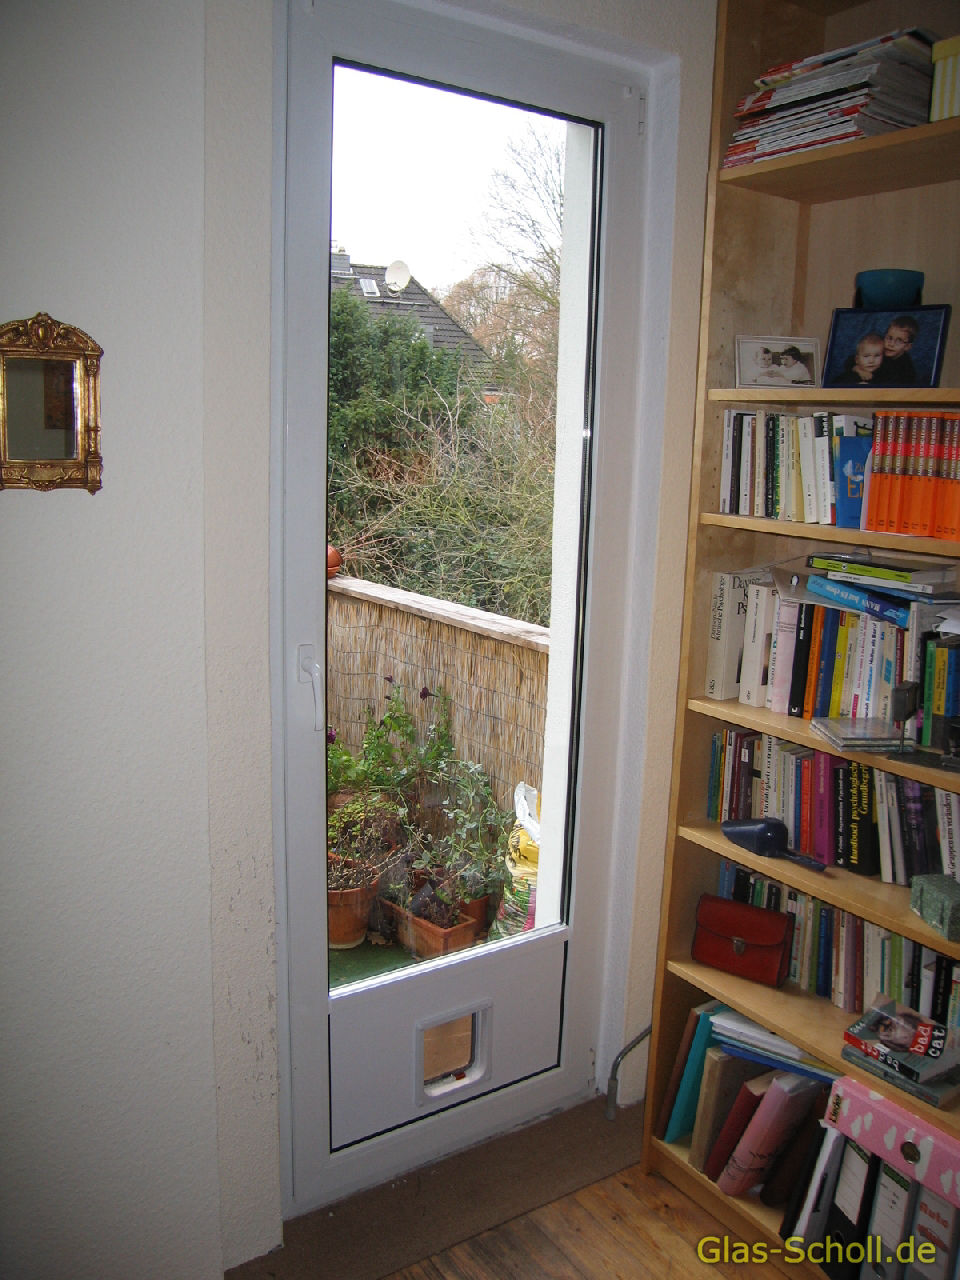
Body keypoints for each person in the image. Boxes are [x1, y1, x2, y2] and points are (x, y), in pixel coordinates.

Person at [873, 314, 919, 386]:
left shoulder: (906, 370)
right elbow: (858, 358)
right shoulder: (878, 349)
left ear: (907, 346)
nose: (891, 344)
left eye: (899, 341)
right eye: (889, 338)